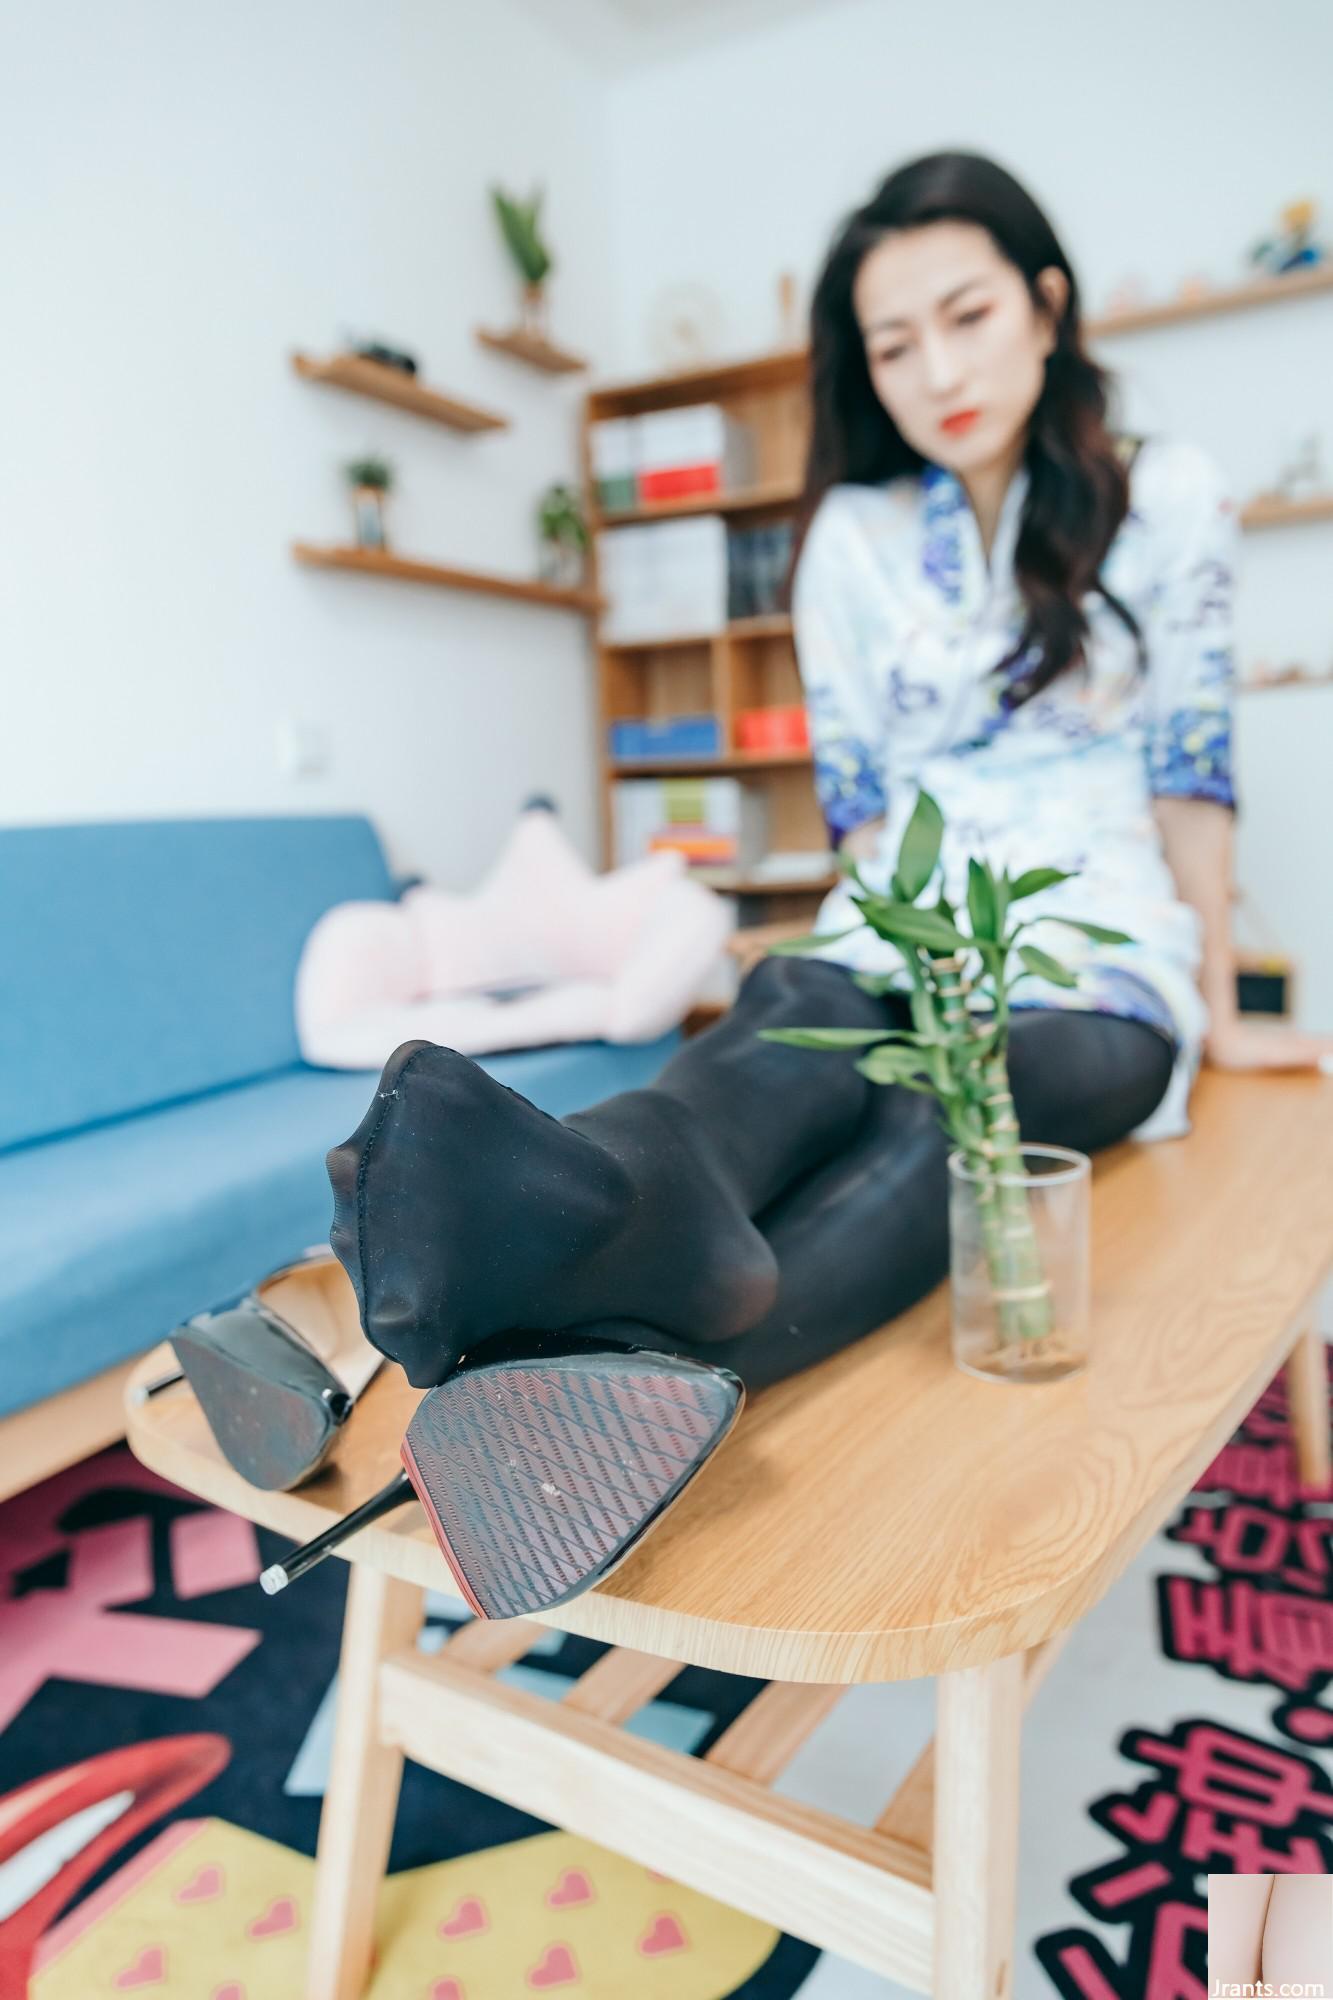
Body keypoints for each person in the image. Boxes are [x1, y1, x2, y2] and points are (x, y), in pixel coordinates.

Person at [321, 149, 1333, 1617]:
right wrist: (863, 969)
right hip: (899, 916)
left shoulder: (1164, 497)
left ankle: (644, 1350)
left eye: (966, 314)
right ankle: (561, 1205)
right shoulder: (852, 540)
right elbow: (864, 818)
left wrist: (1229, 1009)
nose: (936, 367)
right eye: (893, 342)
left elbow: (1188, 767)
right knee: (776, 1031)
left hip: (1092, 956)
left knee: (953, 1089)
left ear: (1046, 304)